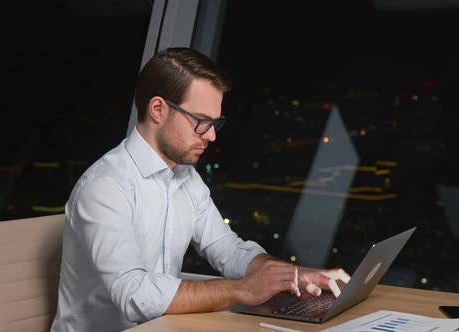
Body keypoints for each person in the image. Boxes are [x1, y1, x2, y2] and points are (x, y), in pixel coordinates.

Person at [50, 47, 351, 332]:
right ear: (158, 109)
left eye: (214, 123)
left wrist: (291, 275)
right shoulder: (106, 186)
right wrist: (245, 289)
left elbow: (229, 251)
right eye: (201, 122)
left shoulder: (186, 179)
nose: (210, 136)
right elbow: (135, 296)